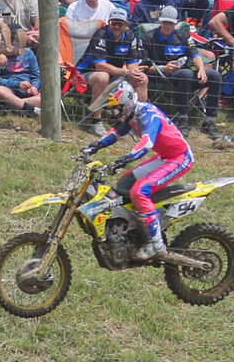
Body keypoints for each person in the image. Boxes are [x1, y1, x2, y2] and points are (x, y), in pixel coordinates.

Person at [79, 79, 194, 261]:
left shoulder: (148, 114)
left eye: (115, 109)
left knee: (140, 190)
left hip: (179, 157)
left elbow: (146, 143)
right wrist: (93, 146)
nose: (113, 113)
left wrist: (125, 159)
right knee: (125, 182)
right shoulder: (131, 116)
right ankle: (136, 228)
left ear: (126, 103)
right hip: (165, 156)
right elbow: (114, 134)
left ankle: (156, 245)